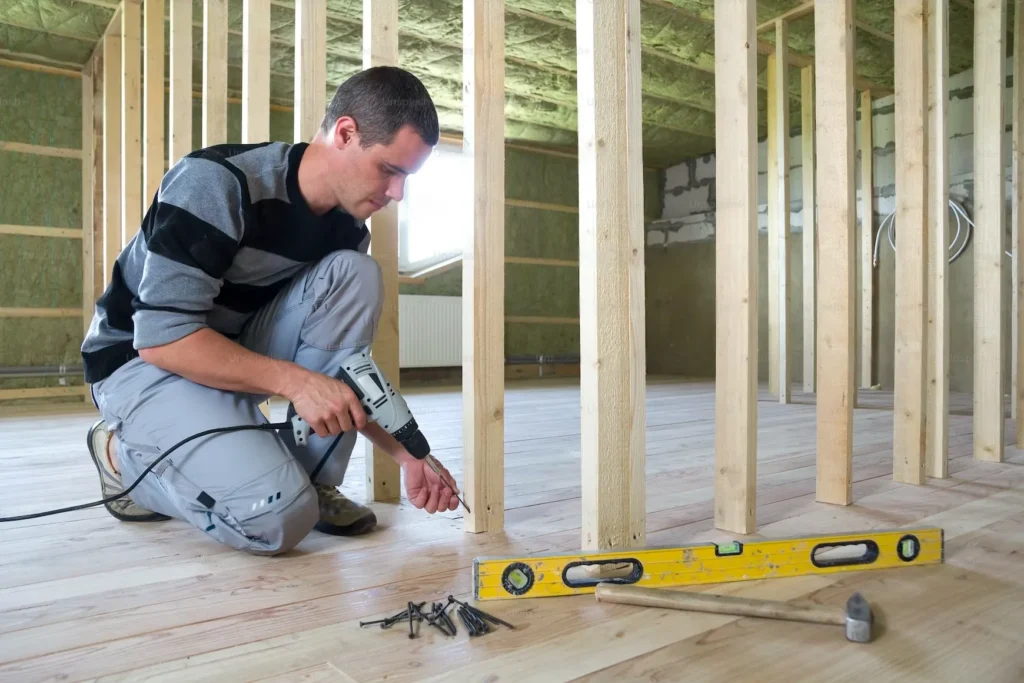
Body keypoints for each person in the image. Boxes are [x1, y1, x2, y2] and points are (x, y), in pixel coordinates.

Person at [80, 66, 461, 556]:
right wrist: (296, 382)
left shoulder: (346, 229)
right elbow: (161, 338)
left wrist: (407, 454)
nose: (397, 194)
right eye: (391, 170)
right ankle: (120, 457)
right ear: (345, 133)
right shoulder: (216, 184)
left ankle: (315, 480)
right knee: (277, 520)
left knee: (355, 274)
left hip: (231, 349)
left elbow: (343, 372)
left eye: (407, 178)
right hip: (140, 364)